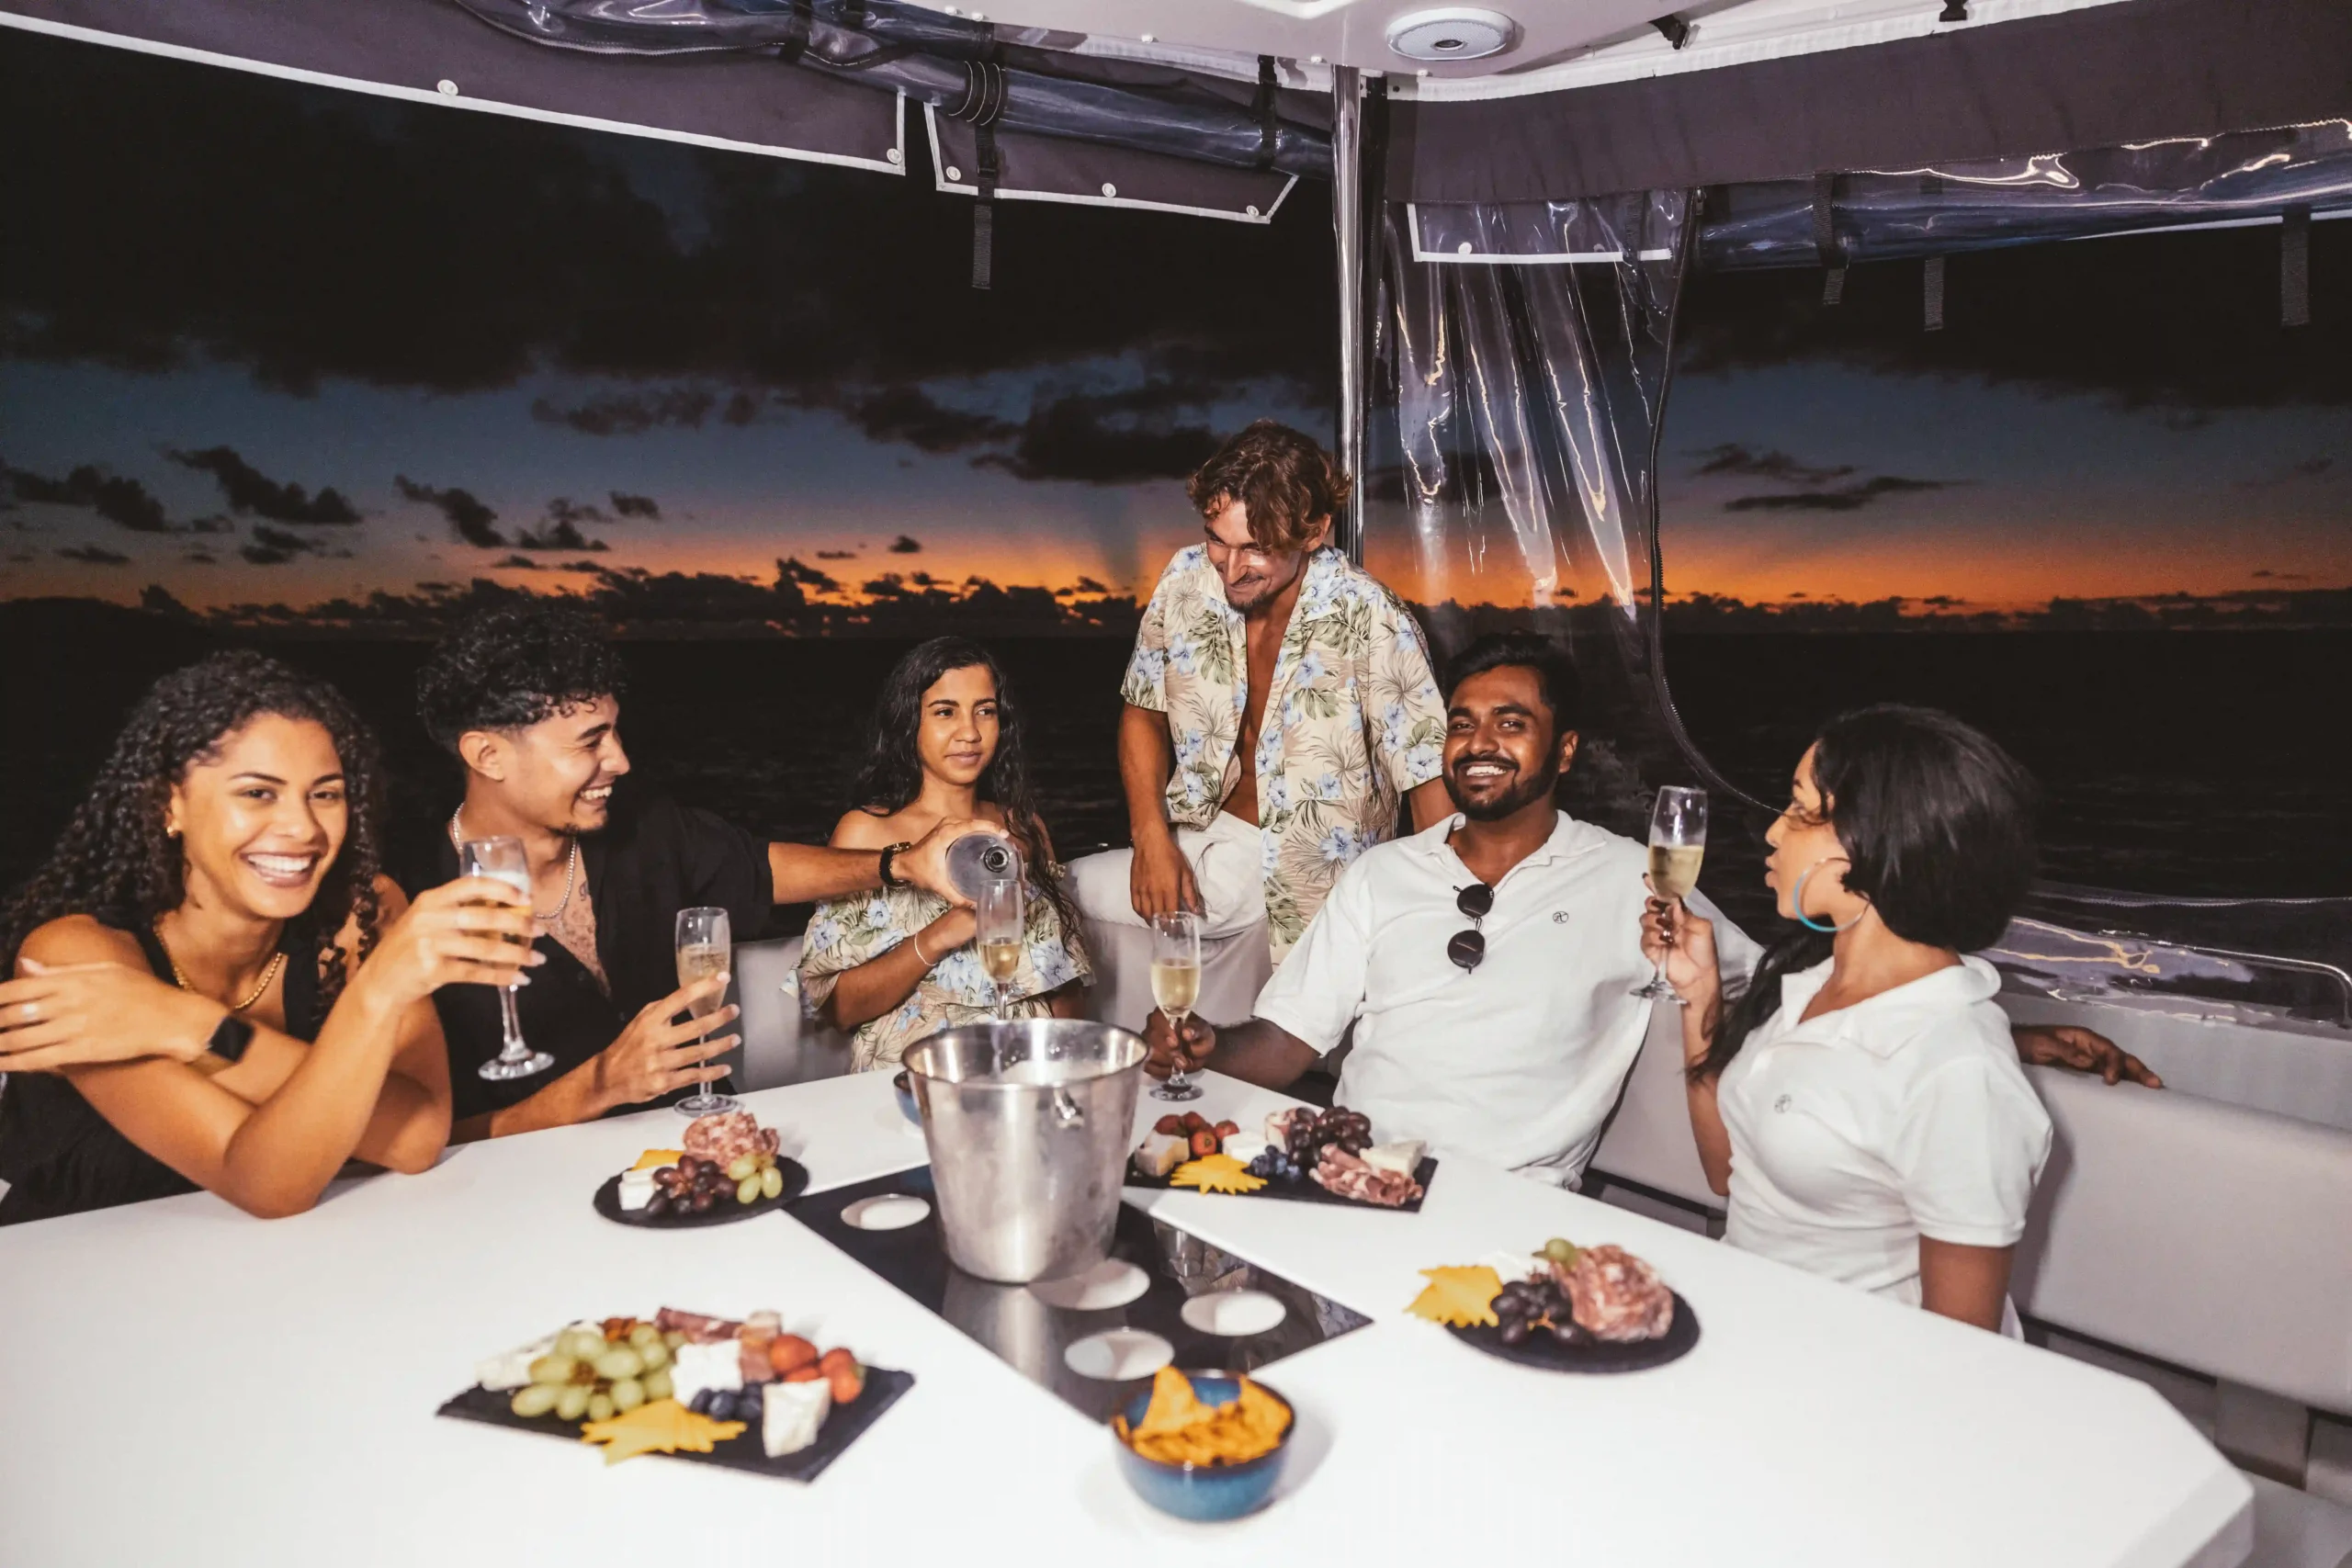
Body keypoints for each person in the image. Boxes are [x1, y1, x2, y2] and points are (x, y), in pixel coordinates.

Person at [1143, 635, 2155, 1190]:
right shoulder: (1383, 875)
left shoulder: (1636, 877)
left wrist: (2008, 1034)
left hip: (1503, 1204)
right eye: (1461, 724)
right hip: (1343, 1168)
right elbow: (1282, 1045)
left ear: (1565, 751)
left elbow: (1791, 989)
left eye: (1511, 723)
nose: (1479, 743)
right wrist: (1199, 1040)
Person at [413, 604, 987, 1138]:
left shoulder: (643, 827)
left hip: (698, 1147)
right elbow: (406, 1147)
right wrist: (596, 1087)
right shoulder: (403, 902)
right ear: (488, 756)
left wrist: (902, 863)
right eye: (590, 742)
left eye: (614, 731)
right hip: (523, 1199)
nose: (620, 760)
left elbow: (761, 868)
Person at [0, 653, 525, 1224]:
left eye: (325, 794)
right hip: (75, 1277)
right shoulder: (75, 959)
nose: (302, 828)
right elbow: (268, 1183)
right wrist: (376, 993)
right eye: (257, 793)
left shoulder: (358, 914)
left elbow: (417, 1137)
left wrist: (189, 1026)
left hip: (281, 1269)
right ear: (166, 805)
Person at [1643, 707, 2062, 1332]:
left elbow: (1964, 1350)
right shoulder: (1809, 985)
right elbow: (1726, 1172)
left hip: (1851, 1382)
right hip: (1746, 1330)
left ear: (1876, 838)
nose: (1773, 833)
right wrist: (1699, 993)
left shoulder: (1958, 1065)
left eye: (1801, 809)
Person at [1069, 420, 1451, 968]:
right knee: (1041, 893)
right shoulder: (1185, 577)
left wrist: (1440, 921)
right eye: (1217, 540)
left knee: (1048, 892)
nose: (1231, 568)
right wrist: (1150, 838)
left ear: (1315, 530)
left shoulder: (1373, 617)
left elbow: (1427, 780)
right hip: (1192, 841)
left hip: (1310, 881)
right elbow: (1141, 710)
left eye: (1257, 548)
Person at [799, 638, 1091, 1069]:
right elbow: (838, 1008)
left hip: (1029, 1066)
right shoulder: (868, 832)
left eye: (985, 711)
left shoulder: (1022, 828)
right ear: (908, 722)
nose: (970, 732)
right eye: (945, 711)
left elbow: (1063, 988)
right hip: (914, 1074)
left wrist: (1072, 1071)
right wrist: (942, 934)